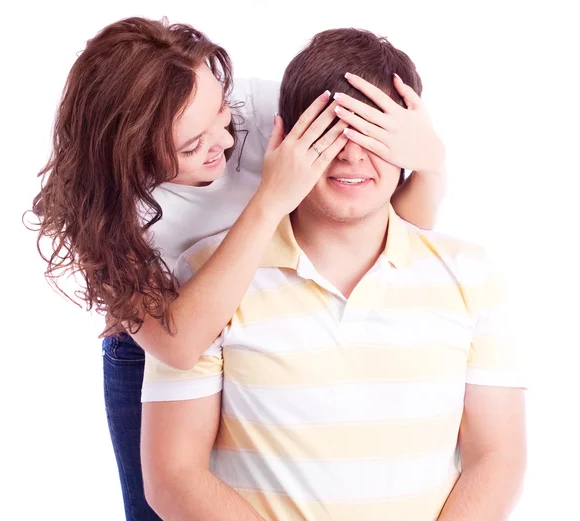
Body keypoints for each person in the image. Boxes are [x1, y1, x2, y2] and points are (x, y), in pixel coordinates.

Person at [29, 17, 447, 521]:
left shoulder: (261, 113)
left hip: (277, 319)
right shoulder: (102, 214)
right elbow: (179, 345)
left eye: (221, 113)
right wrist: (271, 199)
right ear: (128, 150)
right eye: (192, 146)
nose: (224, 143)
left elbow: (395, 225)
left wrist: (430, 161)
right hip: (164, 343)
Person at [141, 28, 527, 521]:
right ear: (287, 137)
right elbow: (174, 475)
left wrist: (430, 160)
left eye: (371, 134)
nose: (350, 153)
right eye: (330, 135)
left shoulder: (470, 274)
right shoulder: (197, 278)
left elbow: (497, 458)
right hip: (162, 326)